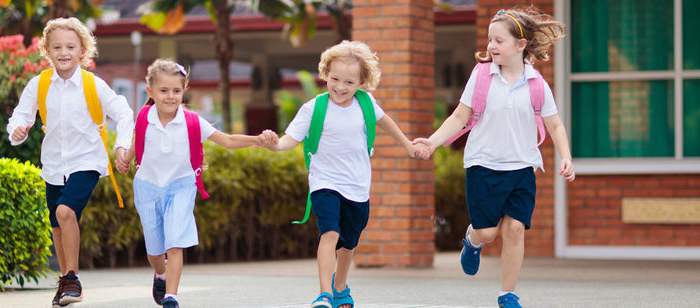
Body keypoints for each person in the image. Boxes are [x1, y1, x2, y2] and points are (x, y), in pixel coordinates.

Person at [412, 7, 575, 308]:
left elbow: (555, 124)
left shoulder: (537, 84)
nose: (491, 46)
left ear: (521, 45)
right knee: (487, 231)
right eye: (490, 39)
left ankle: (507, 294)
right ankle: (472, 241)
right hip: (483, 166)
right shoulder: (481, 76)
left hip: (522, 168)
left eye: (499, 41)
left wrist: (566, 156)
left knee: (514, 229)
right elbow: (461, 116)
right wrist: (433, 142)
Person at [259, 40, 425, 308]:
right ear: (325, 73)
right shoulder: (314, 108)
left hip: (358, 186)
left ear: (362, 82)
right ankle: (324, 294)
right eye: (335, 78)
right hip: (324, 182)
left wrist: (407, 144)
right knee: (330, 233)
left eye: (349, 82)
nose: (340, 87)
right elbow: (289, 140)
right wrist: (274, 143)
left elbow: (385, 122)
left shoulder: (366, 103)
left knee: (348, 243)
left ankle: (340, 286)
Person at [116, 58, 271, 308]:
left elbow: (228, 140)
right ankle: (160, 273)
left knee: (175, 243)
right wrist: (125, 158)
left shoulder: (192, 121)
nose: (170, 96)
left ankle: (171, 296)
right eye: (164, 91)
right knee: (155, 252)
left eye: (176, 91)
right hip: (147, 187)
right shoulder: (145, 116)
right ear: (151, 92)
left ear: (184, 91)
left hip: (181, 186)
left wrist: (257, 140)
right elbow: (138, 144)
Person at [6, 17, 134, 308]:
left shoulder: (93, 84)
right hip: (53, 165)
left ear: (82, 51)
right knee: (57, 225)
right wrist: (18, 130)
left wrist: (122, 146)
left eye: (71, 46)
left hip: (87, 161)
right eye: (57, 47)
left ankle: (73, 278)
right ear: (47, 51)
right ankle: (65, 281)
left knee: (65, 212)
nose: (64, 52)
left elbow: (124, 113)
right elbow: (21, 115)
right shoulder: (39, 84)